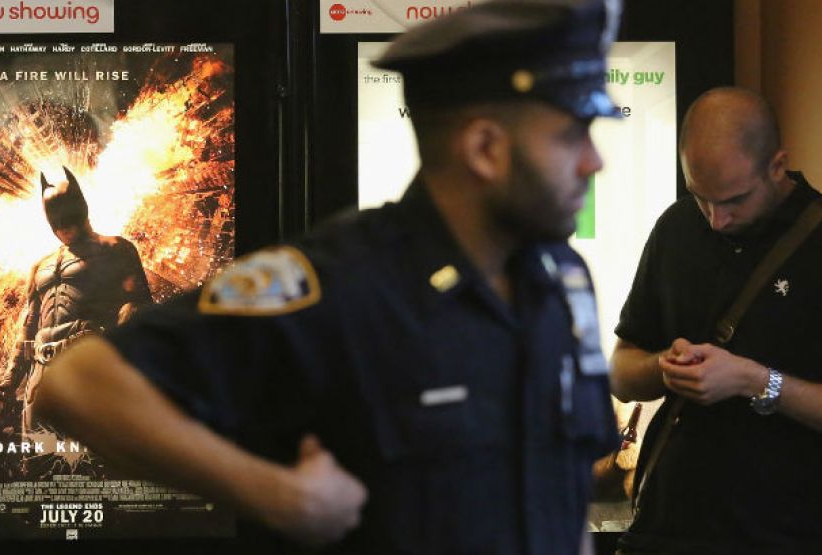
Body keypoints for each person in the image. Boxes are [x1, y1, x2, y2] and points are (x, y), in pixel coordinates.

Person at [33, 0, 622, 552]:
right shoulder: (343, 280)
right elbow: (79, 384)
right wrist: (274, 495)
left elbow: (561, 498)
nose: (594, 161)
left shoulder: (561, 281)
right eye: (572, 134)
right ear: (486, 148)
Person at [611, 87, 822, 554]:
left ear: (777, 165)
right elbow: (621, 372)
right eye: (700, 197)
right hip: (660, 530)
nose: (716, 220)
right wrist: (664, 367)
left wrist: (758, 382)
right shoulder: (675, 226)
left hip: (786, 537)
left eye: (734, 200)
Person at [0, 166, 152, 436]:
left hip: (89, 359)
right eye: (56, 223)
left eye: (68, 220)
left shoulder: (115, 248)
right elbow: (29, 323)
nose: (63, 229)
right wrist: (11, 375)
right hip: (43, 368)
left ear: (82, 212)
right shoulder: (40, 266)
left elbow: (136, 303)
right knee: (40, 457)